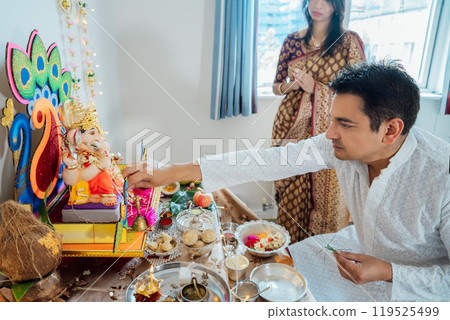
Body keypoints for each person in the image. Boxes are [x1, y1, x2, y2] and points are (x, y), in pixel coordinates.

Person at [124, 61, 450, 301]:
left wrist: (389, 272)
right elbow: (270, 160)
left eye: (345, 124)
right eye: (332, 119)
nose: (330, 133)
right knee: (271, 285)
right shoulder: (336, 145)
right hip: (354, 255)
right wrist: (168, 172)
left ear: (391, 130)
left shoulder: (441, 174)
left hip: (418, 291)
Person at [271, 0, 365, 242]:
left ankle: (323, 262)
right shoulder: (292, 41)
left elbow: (361, 93)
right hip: (290, 127)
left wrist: (316, 89)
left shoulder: (348, 42)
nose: (317, 4)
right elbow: (276, 86)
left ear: (337, 6)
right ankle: (290, 259)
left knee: (329, 201)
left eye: (325, 0)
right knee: (290, 193)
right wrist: (289, 85)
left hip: (331, 132)